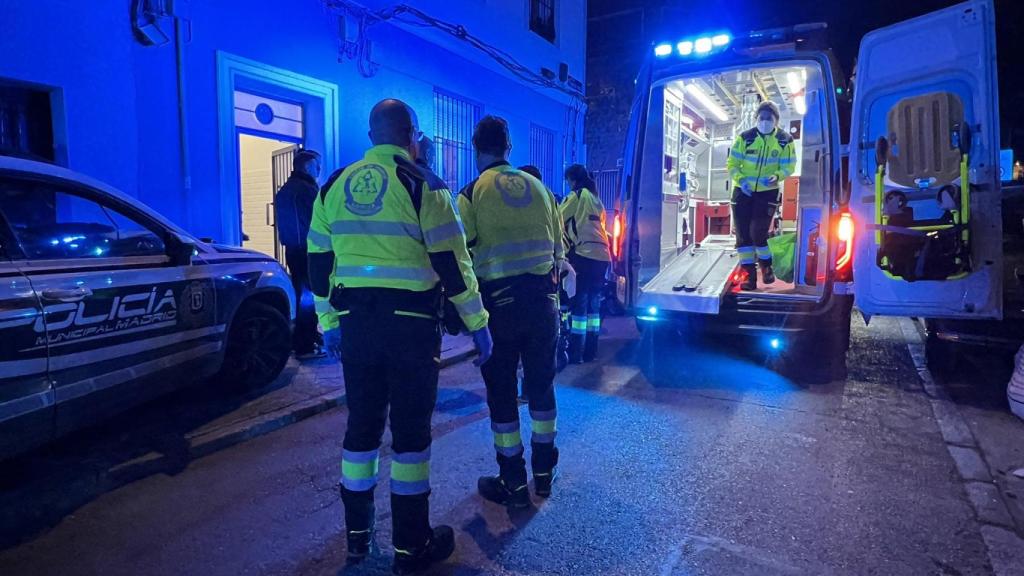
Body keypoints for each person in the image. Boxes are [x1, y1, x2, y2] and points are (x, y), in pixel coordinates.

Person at [307, 99, 493, 575]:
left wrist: (329, 324)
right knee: (410, 436)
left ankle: (358, 539)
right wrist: (478, 325)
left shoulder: (333, 186)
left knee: (361, 429)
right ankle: (411, 549)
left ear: (371, 136)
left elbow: (319, 265)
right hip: (411, 328)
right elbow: (453, 264)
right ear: (412, 136)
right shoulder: (424, 183)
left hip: (357, 327)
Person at [458, 116, 569, 507]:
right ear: (508, 148)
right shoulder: (542, 190)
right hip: (543, 305)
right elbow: (559, 250)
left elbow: (460, 257)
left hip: (499, 309)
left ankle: (514, 484)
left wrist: (466, 316)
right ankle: (544, 474)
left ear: (476, 148)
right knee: (541, 387)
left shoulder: (472, 192)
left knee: (502, 395)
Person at [726, 100, 796, 291]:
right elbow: (732, 164)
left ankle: (766, 267)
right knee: (743, 237)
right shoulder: (745, 138)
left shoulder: (784, 140)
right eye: (762, 118)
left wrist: (778, 175)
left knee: (758, 233)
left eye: (769, 118)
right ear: (756, 118)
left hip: (767, 193)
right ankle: (749, 277)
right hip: (742, 192)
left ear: (776, 120)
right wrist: (742, 180)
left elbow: (789, 165)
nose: (765, 121)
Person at [275, 148, 325, 360]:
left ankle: (306, 336)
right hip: (307, 251)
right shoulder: (306, 190)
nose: (319, 170)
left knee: (302, 294)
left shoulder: (286, 189)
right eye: (317, 166)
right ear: (307, 167)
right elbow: (319, 221)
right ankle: (305, 345)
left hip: (293, 250)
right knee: (308, 297)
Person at [560, 164, 611, 364]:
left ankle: (575, 353)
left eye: (568, 181)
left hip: (584, 254)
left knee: (579, 305)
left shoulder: (577, 196)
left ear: (573, 180)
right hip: (602, 257)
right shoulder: (597, 200)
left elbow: (557, 219)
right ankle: (591, 352)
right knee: (593, 307)